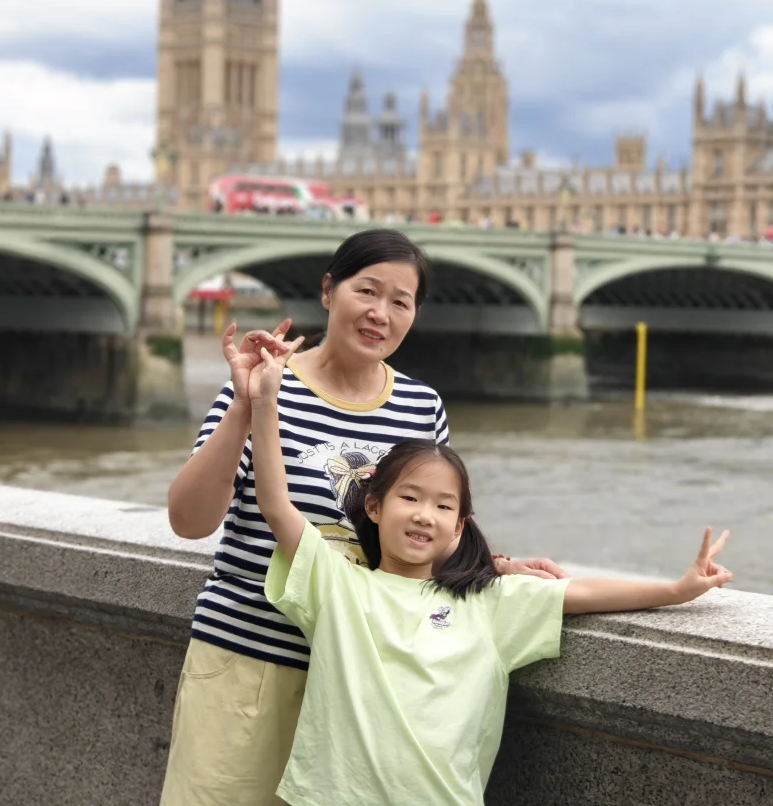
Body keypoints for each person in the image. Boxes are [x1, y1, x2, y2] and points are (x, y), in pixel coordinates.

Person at [160, 228, 564, 806]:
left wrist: (493, 566)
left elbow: (429, 531)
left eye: (400, 302)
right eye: (366, 291)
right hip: (253, 662)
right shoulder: (266, 383)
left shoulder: (421, 408)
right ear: (329, 291)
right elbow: (191, 521)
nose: (380, 313)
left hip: (365, 686)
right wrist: (247, 405)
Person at [248, 349, 734, 805]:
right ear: (373, 507)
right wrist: (265, 400)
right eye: (410, 498)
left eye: (443, 506)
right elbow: (275, 503)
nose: (424, 515)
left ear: (459, 526)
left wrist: (677, 590)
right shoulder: (339, 586)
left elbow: (578, 591)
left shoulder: (486, 601)